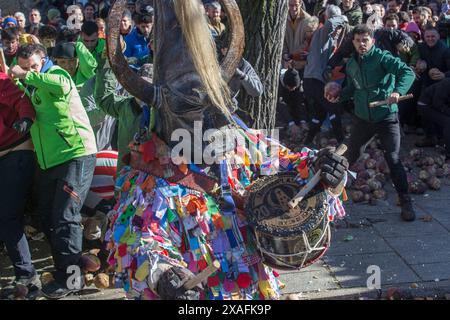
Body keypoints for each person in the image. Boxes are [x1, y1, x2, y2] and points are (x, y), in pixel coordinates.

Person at [9, 44, 97, 299]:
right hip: (49, 161)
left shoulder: (58, 74)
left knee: (65, 216)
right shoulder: (30, 85)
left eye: (34, 66)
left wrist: (27, 74)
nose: (29, 71)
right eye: (24, 68)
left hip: (76, 154)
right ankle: (73, 264)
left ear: (43, 61)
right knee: (45, 216)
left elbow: (59, 87)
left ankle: (69, 280)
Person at [324, 24, 416, 222]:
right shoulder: (351, 64)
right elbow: (352, 88)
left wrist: (397, 91)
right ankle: (329, 196)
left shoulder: (383, 58)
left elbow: (407, 73)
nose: (361, 44)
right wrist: (338, 95)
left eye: (365, 40)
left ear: (372, 41)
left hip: (386, 117)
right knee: (348, 155)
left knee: (392, 158)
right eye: (358, 41)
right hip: (363, 119)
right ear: (354, 42)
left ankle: (405, 200)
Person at [0, 70, 40, 299]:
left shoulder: (0, 80)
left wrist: (25, 119)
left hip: (16, 150)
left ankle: (27, 275)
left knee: (8, 215)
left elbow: (21, 100)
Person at [303, 7, 349, 145]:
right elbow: (330, 24)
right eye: (339, 25)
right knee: (333, 107)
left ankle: (307, 142)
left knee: (320, 114)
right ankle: (342, 142)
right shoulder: (323, 32)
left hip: (312, 80)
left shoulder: (328, 37)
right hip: (314, 80)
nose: (340, 29)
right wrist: (344, 18)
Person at [415, 78, 450, 159]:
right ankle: (448, 151)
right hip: (425, 104)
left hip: (437, 105)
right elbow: (437, 103)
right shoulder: (446, 83)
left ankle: (436, 138)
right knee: (448, 122)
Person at [283, 0, 312, 70]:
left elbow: (307, 42)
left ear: (301, 3)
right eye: (291, 5)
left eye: (296, 5)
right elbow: (281, 40)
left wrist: (293, 56)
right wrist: (285, 55)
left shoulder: (308, 20)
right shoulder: (282, 18)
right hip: (285, 63)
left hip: (301, 64)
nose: (293, 8)